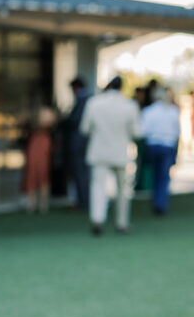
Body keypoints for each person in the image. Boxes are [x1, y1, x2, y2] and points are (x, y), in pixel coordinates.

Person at [80, 76, 141, 235]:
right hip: (121, 152)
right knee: (123, 189)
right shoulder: (130, 105)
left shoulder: (93, 103)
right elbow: (137, 132)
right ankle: (122, 223)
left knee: (98, 187)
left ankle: (97, 219)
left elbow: (85, 129)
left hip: (99, 152)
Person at [140, 87, 181, 215]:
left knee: (156, 175)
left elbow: (143, 131)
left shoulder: (149, 111)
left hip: (153, 145)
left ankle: (157, 201)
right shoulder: (173, 111)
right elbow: (177, 132)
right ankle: (160, 202)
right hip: (167, 146)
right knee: (163, 176)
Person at [22, 106, 56, 214]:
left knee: (43, 172)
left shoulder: (48, 118)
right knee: (32, 172)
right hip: (35, 144)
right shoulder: (30, 119)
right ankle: (31, 203)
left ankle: (43, 204)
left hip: (43, 144)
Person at [65, 77, 90, 210]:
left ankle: (83, 202)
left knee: (80, 172)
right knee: (82, 173)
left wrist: (63, 120)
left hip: (79, 143)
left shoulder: (84, 100)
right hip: (82, 143)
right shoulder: (86, 100)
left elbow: (74, 121)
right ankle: (83, 201)